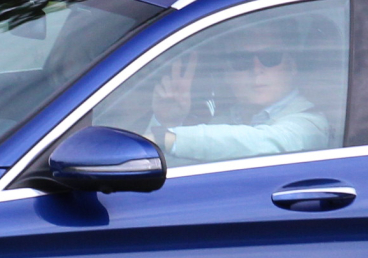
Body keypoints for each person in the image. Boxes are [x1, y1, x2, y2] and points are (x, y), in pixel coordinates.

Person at [142, 21, 332, 164]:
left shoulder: (311, 123)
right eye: (242, 60)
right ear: (226, 73)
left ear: (292, 66)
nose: (257, 68)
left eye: (270, 57)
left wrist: (167, 137)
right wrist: (167, 121)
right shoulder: (223, 123)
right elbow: (167, 175)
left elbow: (264, 143)